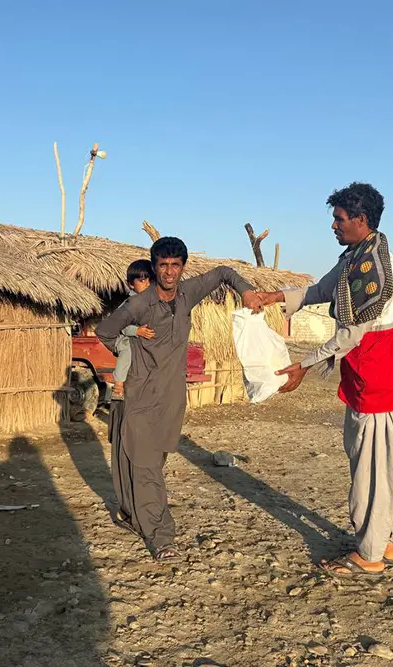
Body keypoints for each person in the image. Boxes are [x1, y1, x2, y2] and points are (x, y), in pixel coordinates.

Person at [268, 182, 393, 576]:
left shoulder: (374, 271)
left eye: (338, 219)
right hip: (387, 376)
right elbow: (321, 289)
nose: (333, 226)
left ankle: (369, 555)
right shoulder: (358, 255)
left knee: (375, 469)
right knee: (392, 462)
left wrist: (302, 364)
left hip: (381, 381)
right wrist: (273, 298)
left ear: (361, 220)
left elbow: (350, 335)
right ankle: (391, 541)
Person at [96, 237, 279, 561]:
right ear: (154, 268)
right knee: (147, 465)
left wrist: (246, 290)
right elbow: (106, 331)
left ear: (182, 267)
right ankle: (161, 536)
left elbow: (223, 272)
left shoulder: (188, 293)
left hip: (172, 399)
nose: (169, 272)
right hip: (140, 396)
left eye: (175, 265)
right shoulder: (138, 305)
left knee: (152, 462)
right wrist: (133, 343)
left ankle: (130, 510)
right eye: (163, 265)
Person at [111, 259, 156, 400]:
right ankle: (118, 384)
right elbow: (120, 324)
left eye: (150, 280)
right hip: (125, 338)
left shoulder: (154, 302)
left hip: (143, 340)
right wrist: (136, 331)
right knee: (127, 351)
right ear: (131, 284)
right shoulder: (128, 303)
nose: (147, 284)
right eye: (142, 281)